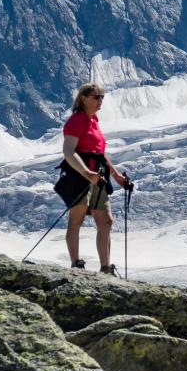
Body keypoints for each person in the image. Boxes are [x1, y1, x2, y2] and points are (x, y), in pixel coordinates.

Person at [62, 83, 132, 275]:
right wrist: (87, 173)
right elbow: (68, 152)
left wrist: (116, 175)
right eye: (96, 97)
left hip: (96, 177)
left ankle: (105, 268)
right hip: (79, 177)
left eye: (102, 97)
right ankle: (76, 264)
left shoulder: (94, 121)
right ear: (84, 97)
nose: (100, 100)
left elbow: (100, 153)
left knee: (106, 221)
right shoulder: (76, 121)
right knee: (76, 220)